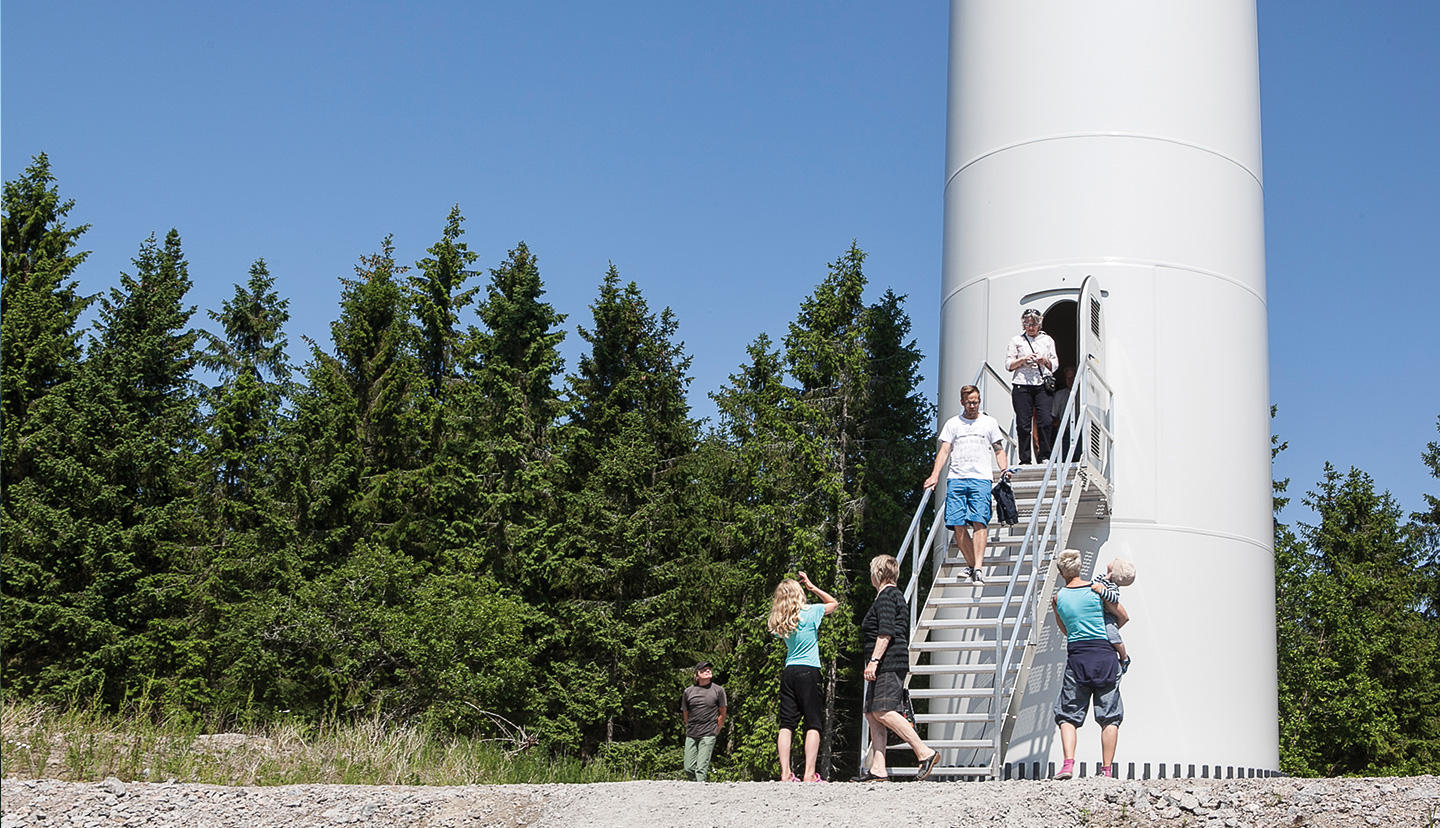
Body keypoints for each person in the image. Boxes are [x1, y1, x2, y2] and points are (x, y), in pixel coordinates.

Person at [854, 554, 939, 782]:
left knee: (883, 711)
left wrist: (874, 661)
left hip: (887, 662)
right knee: (872, 714)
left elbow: (886, 631)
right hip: (890, 661)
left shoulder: (886, 596)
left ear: (877, 574)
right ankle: (878, 768)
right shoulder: (893, 595)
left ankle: (924, 752)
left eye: (872, 572)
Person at [1050, 549, 1128, 779]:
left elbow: (1064, 629)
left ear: (1060, 571)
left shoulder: (1057, 598)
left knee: (1068, 714)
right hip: (1104, 655)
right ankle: (1106, 770)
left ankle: (1067, 765)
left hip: (1078, 656)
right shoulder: (1097, 591)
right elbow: (1123, 616)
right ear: (1080, 567)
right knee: (1109, 715)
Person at [922, 385, 1010, 584]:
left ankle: (978, 567)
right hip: (957, 478)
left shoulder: (989, 422)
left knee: (979, 521)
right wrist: (935, 475)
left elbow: (998, 449)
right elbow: (944, 451)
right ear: (962, 402)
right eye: (969, 402)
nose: (973, 405)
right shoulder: (953, 424)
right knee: (957, 524)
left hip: (980, 479)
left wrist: (1004, 469)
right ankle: (972, 565)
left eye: (976, 401)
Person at [766, 571, 839, 782]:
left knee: (787, 724)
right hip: (809, 670)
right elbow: (833, 603)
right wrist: (812, 587)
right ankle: (809, 773)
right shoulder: (811, 612)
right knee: (813, 723)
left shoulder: (780, 620)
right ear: (799, 593)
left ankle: (785, 773)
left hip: (789, 671)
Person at [1006, 308, 1059, 465]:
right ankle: (1025, 458)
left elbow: (1055, 364)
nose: (1031, 327)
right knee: (1023, 424)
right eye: (1027, 324)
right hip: (1022, 384)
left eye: (1034, 324)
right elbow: (1008, 364)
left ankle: (1044, 455)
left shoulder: (1047, 341)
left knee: (1045, 421)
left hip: (1042, 384)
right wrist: (1023, 360)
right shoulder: (1016, 341)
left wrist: (1044, 361)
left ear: (1039, 324)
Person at [680, 661, 727, 782]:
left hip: (708, 733)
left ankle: (701, 793)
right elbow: (686, 712)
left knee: (701, 769)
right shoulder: (688, 692)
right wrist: (689, 726)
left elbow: (722, 714)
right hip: (692, 733)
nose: (708, 671)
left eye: (709, 669)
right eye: (704, 670)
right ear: (697, 675)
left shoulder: (718, 690)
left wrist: (716, 729)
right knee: (688, 768)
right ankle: (697, 787)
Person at [1091, 557, 1136, 673]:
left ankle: (1124, 656)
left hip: (1107, 615)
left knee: (1112, 635)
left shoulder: (1112, 586)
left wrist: (1101, 591)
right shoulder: (1101, 577)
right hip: (1098, 613)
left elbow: (1113, 597)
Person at [1051, 365, 1078, 461]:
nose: (1070, 381)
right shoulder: (1059, 395)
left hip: (1080, 432)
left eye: (1072, 378)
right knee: (1062, 460)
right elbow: (1054, 415)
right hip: (1065, 432)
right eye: (1067, 378)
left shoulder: (1083, 394)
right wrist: (1059, 424)